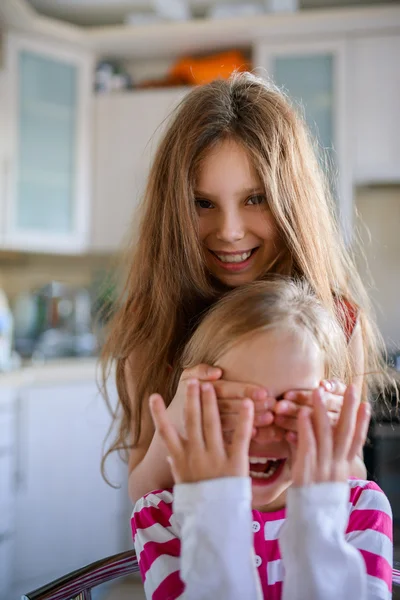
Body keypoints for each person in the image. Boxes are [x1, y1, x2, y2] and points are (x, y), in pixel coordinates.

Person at [101, 71, 386, 502]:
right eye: (203, 203)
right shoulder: (152, 324)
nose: (230, 231)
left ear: (292, 200)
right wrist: (176, 421)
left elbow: (354, 484)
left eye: (256, 199)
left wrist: (336, 446)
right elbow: (142, 498)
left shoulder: (339, 321)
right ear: (172, 209)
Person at [131, 279, 393, 600]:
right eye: (234, 406)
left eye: (290, 405)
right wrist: (215, 508)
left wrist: (318, 511)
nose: (262, 432)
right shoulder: (160, 517)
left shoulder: (362, 509)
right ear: (192, 409)